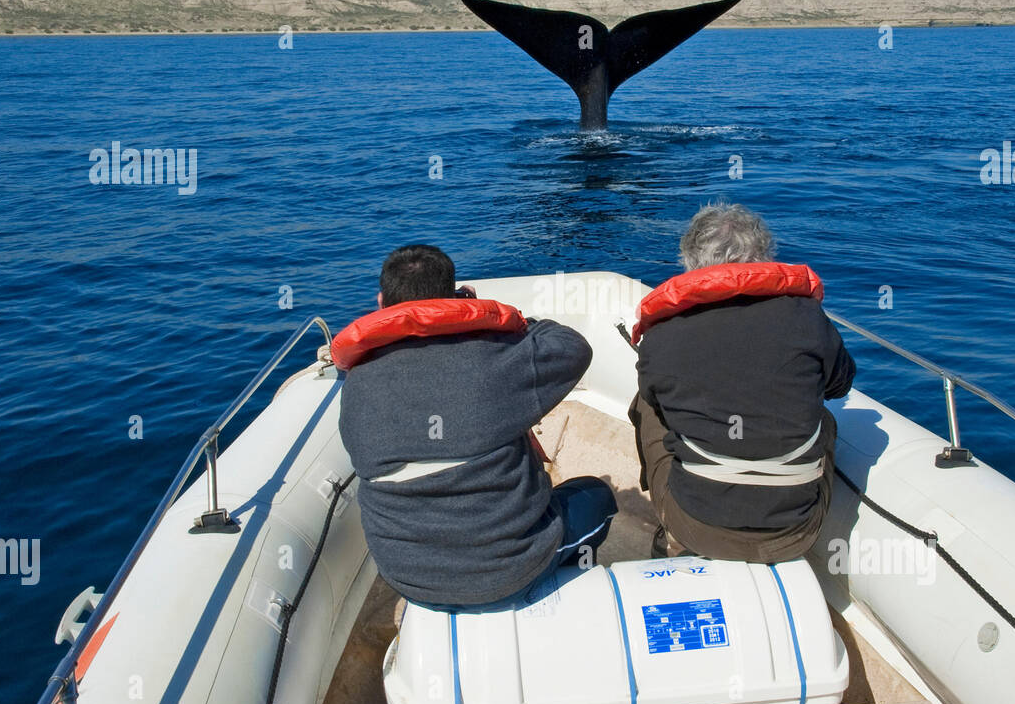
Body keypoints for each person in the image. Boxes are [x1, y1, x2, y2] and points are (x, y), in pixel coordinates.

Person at [336, 244, 616, 612]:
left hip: (408, 578)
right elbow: (571, 347)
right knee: (598, 496)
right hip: (514, 571)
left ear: (380, 302)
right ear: (454, 299)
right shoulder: (494, 358)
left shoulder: (357, 383)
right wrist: (499, 320)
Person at [629, 204, 855, 563]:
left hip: (697, 526)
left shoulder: (662, 334)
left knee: (645, 405)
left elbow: (655, 397)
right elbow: (838, 386)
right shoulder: (808, 319)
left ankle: (672, 531)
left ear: (688, 260)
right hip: (796, 531)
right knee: (825, 419)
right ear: (763, 256)